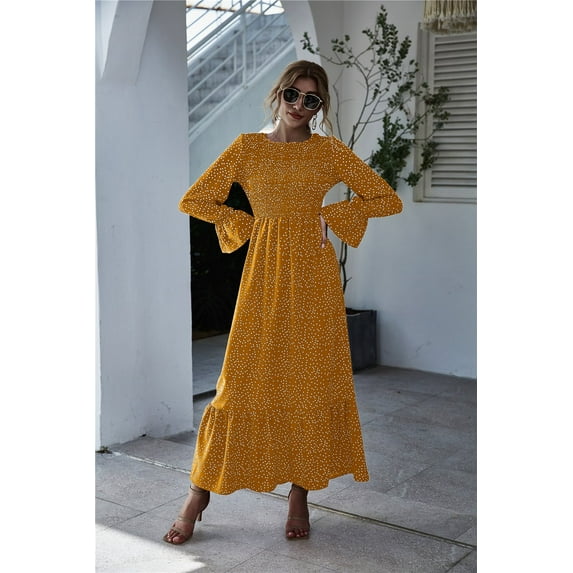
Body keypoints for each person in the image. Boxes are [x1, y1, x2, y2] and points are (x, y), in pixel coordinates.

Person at [163, 60, 403, 544]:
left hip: (315, 280)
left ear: (320, 107)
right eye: (292, 94)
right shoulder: (247, 148)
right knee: (237, 386)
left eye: (311, 99)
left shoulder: (328, 152)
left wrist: (333, 214)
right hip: (264, 277)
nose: (299, 105)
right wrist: (248, 225)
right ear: (278, 94)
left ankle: (299, 494)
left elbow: (386, 198)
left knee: (309, 385)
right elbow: (196, 199)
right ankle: (198, 493)